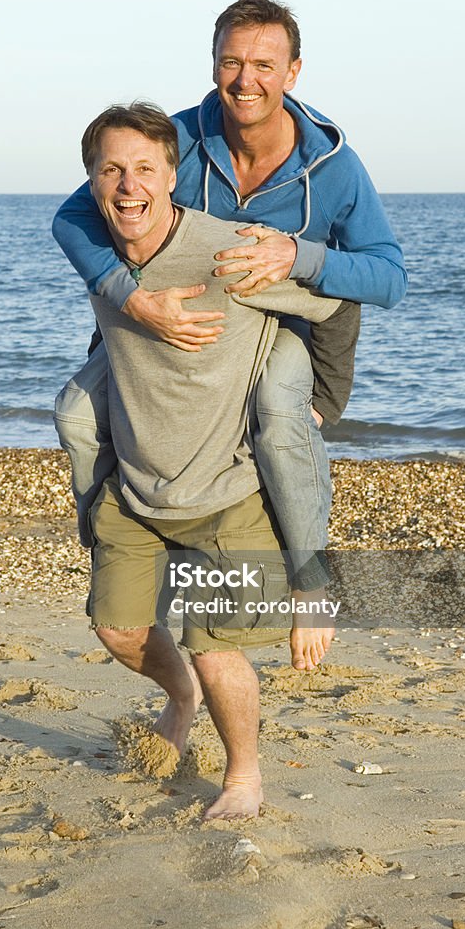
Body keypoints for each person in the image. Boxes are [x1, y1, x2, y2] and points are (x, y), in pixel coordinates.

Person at [53, 0, 407, 612]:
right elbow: (73, 215)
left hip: (279, 327)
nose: (246, 80)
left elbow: (388, 278)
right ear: (213, 64)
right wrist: (130, 300)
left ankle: (309, 581)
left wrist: (298, 257)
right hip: (169, 323)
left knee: (276, 412)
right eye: (231, 62)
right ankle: (114, 552)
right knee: (77, 415)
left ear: (293, 72)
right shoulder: (177, 140)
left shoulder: (334, 167)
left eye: (265, 65)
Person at [80, 102, 341, 820]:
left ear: (173, 174)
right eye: (110, 171)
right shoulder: (97, 251)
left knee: (215, 648)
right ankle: (180, 700)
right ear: (93, 183)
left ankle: (244, 778)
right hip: (136, 489)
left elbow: (340, 296)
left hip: (225, 492)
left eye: (142, 169)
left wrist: (321, 391)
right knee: (118, 628)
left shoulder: (227, 251)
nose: (127, 187)